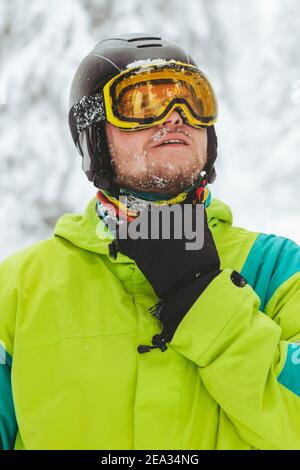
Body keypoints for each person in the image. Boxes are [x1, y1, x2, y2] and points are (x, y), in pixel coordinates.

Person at [0, 33, 300, 451]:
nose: (176, 117)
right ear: (94, 137)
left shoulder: (278, 269)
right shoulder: (16, 291)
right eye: (142, 103)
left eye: (192, 101)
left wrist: (207, 304)